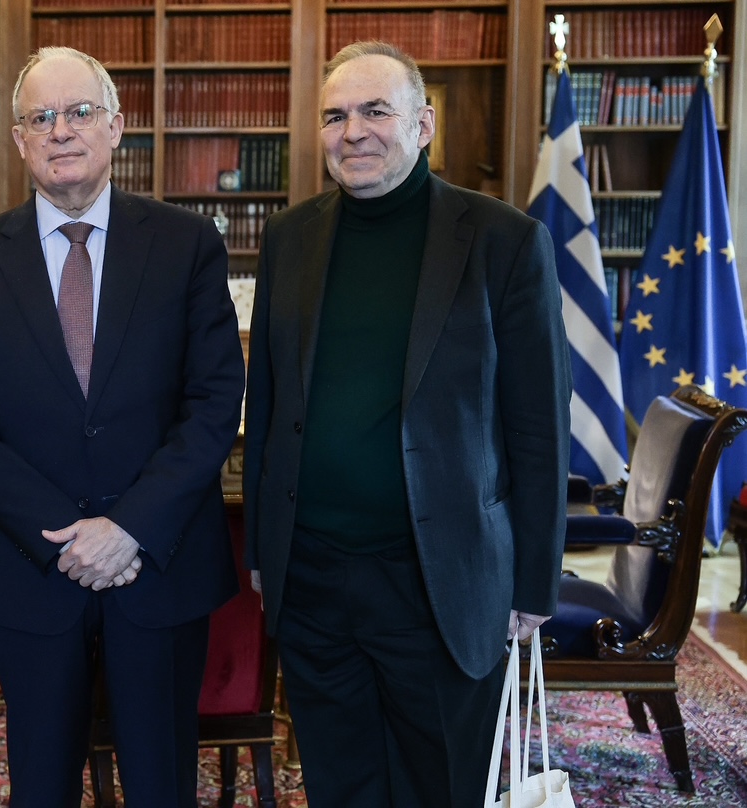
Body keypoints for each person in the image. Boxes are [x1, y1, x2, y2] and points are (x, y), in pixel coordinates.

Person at [243, 40, 570, 807]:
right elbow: (271, 404)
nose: (352, 131)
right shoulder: (290, 237)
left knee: (442, 784)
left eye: (374, 111)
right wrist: (263, 546)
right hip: (314, 574)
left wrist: (535, 579)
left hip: (440, 577)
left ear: (423, 125)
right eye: (334, 116)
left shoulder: (503, 241)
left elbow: (538, 426)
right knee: (340, 782)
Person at [0, 46, 245, 808]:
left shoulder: (187, 245)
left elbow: (213, 402)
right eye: (41, 117)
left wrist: (128, 529)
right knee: (41, 785)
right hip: (33, 570)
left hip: (158, 565)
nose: (60, 130)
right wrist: (64, 536)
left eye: (79, 112)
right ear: (19, 139)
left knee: (162, 786)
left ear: (116, 126)